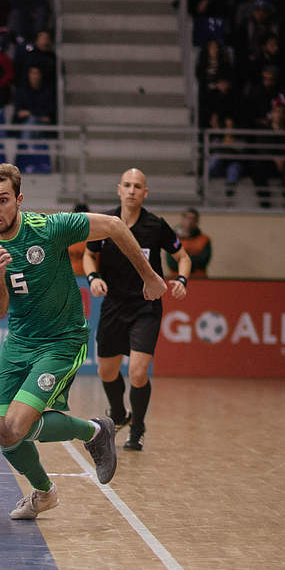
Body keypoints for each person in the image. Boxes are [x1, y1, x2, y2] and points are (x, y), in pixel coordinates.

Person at [0, 163, 166, 520]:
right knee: (3, 434)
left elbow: (115, 226)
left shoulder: (50, 227)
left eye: (2, 200)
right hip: (19, 341)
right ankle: (45, 493)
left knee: (17, 426)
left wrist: (149, 277)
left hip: (62, 340)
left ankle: (93, 431)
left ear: (19, 200)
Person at [83, 168, 190, 452]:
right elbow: (89, 255)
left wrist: (181, 279)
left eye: (137, 186)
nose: (132, 190)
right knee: (106, 372)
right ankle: (119, 415)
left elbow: (182, 257)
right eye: (127, 185)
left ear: (145, 193)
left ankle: (138, 428)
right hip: (113, 305)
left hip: (146, 306)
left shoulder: (156, 226)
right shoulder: (105, 223)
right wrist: (93, 278)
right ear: (119, 189)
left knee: (139, 373)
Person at [175, 208, 212, 277]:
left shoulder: (204, 240)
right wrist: (193, 258)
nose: (190, 221)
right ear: (183, 219)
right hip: (177, 279)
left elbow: (203, 261)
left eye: (193, 219)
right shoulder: (174, 239)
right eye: (188, 218)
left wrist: (184, 259)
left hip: (199, 278)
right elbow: (172, 263)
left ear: (197, 221)